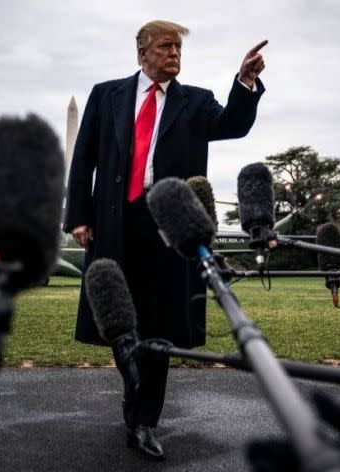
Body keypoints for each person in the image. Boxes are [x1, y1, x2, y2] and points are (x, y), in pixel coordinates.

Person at [63, 20, 266, 461]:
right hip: (115, 223)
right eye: (166, 46)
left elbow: (233, 124)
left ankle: (143, 421)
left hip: (168, 227)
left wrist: (246, 82)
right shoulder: (106, 95)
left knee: (159, 328)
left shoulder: (196, 102)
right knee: (119, 320)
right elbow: (84, 159)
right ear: (142, 53)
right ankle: (132, 379)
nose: (175, 54)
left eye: (178, 48)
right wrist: (78, 216)